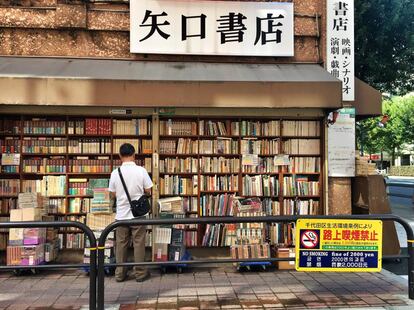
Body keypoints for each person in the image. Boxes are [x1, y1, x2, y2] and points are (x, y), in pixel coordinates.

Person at [108, 143, 153, 282]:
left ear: (120, 156)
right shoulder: (141, 171)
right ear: (134, 155)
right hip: (138, 214)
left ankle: (120, 274)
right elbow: (148, 190)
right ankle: (140, 274)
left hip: (121, 215)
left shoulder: (115, 173)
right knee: (139, 243)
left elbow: (112, 194)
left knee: (121, 244)